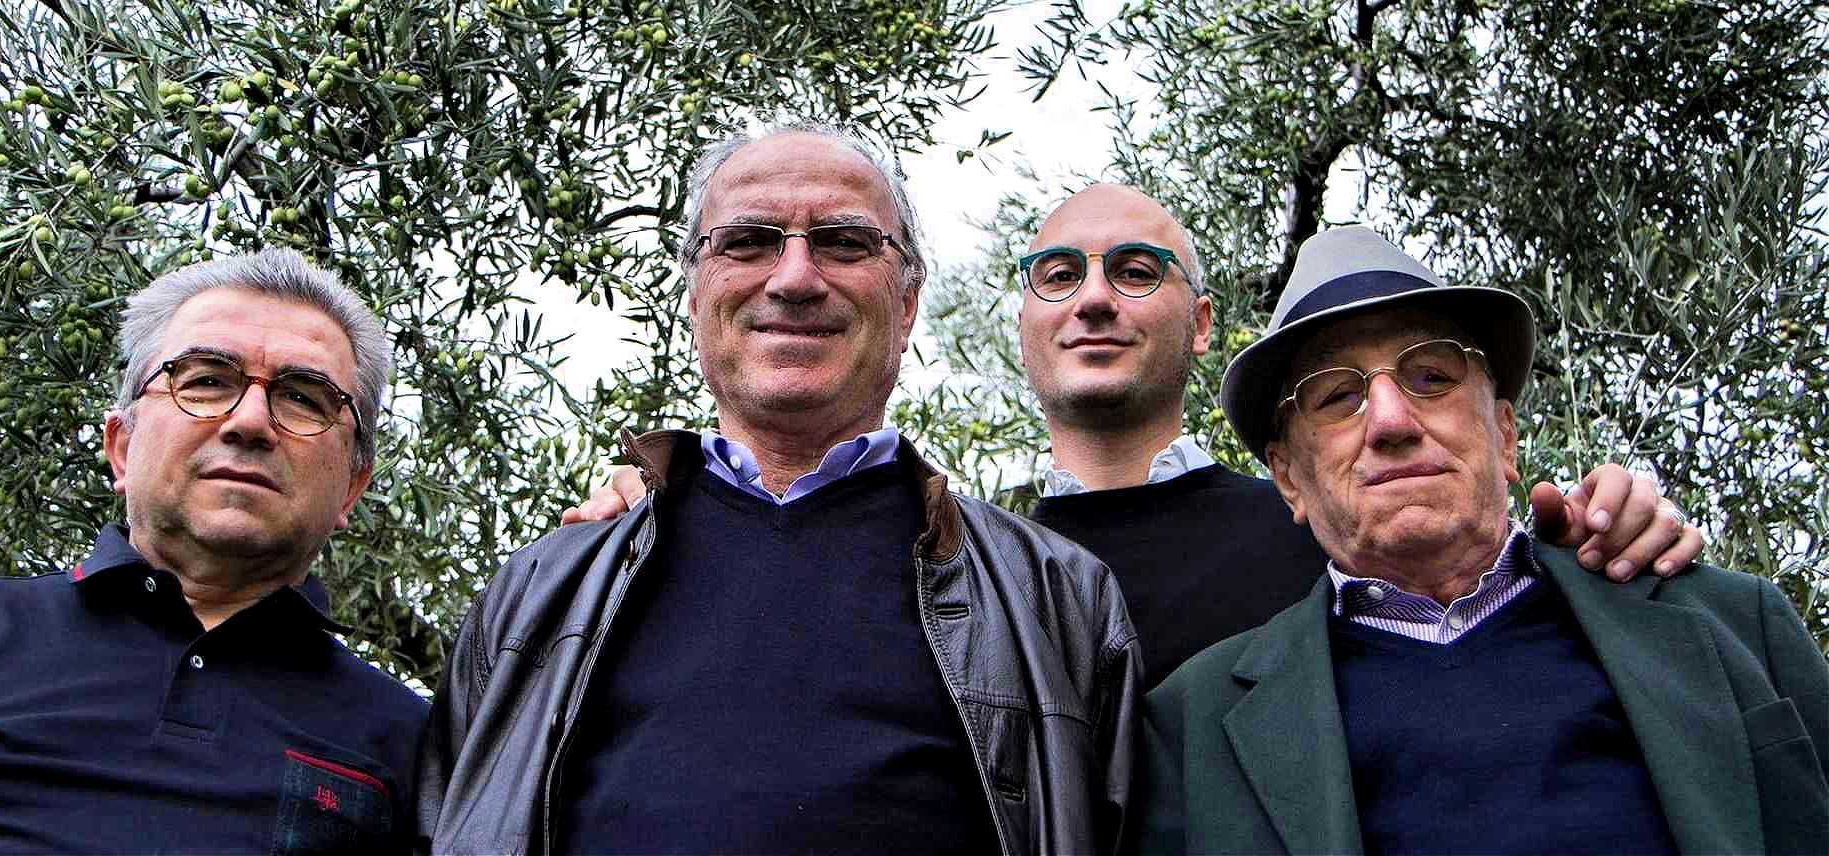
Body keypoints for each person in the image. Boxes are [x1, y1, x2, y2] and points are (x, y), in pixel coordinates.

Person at [571, 183, 1703, 686]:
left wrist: (1596, 525)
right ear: (1023, 326)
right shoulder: (957, 564)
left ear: (1204, 323)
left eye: (1137, 269)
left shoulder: (1331, 529)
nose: (1095, 299)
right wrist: (666, 519)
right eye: (1057, 275)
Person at [417, 126, 1141, 855]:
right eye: (748, 242)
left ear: (909, 303)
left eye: (846, 243)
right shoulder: (541, 593)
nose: (795, 278)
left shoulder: (1059, 601)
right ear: (695, 298)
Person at [1141, 225, 1829, 854]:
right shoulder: (1194, 727)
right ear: (1289, 479)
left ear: (1505, 435)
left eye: (1432, 377)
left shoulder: (1733, 624)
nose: (1390, 419)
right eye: (1335, 397)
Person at [0, 247, 428, 853]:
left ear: (352, 488)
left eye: (304, 398)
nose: (251, 421)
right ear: (122, 447)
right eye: (207, 381)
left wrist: (569, 570)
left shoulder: (409, 743)